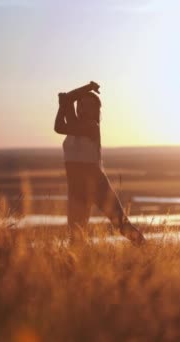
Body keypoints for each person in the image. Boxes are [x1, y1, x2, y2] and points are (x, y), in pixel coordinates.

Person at [54, 81, 145, 245]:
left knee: (121, 225)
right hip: (75, 186)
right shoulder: (74, 124)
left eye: (88, 105)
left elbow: (59, 126)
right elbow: (63, 111)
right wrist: (77, 94)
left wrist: (73, 97)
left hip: (97, 183)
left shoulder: (91, 126)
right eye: (80, 104)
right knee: (76, 236)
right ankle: (79, 268)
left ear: (95, 109)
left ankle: (147, 250)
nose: (83, 107)